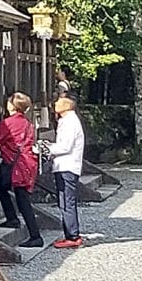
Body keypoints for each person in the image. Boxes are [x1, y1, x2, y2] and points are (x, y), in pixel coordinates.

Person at [0, 93, 43, 250]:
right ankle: (12, 218)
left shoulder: (8, 123)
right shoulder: (27, 123)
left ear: (12, 106)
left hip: (13, 163)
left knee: (22, 199)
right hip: (25, 163)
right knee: (1, 187)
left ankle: (35, 236)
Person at [48, 93, 85, 248]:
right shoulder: (66, 120)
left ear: (68, 104)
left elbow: (65, 146)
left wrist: (47, 148)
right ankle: (70, 233)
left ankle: (73, 235)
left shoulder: (70, 122)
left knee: (67, 201)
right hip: (65, 166)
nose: (56, 103)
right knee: (64, 201)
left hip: (67, 166)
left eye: (59, 100)